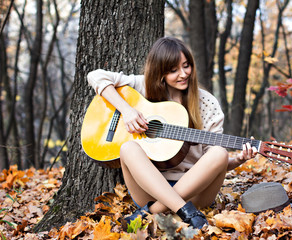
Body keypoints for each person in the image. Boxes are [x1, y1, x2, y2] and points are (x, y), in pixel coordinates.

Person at [87, 37, 257, 229]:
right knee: (127, 148)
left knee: (219, 152)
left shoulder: (207, 103)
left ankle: (151, 213)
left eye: (186, 66)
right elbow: (95, 76)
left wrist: (239, 160)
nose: (183, 74)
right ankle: (182, 212)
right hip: (150, 190)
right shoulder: (142, 87)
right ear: (160, 73)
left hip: (194, 193)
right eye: (173, 70)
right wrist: (127, 111)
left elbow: (215, 164)